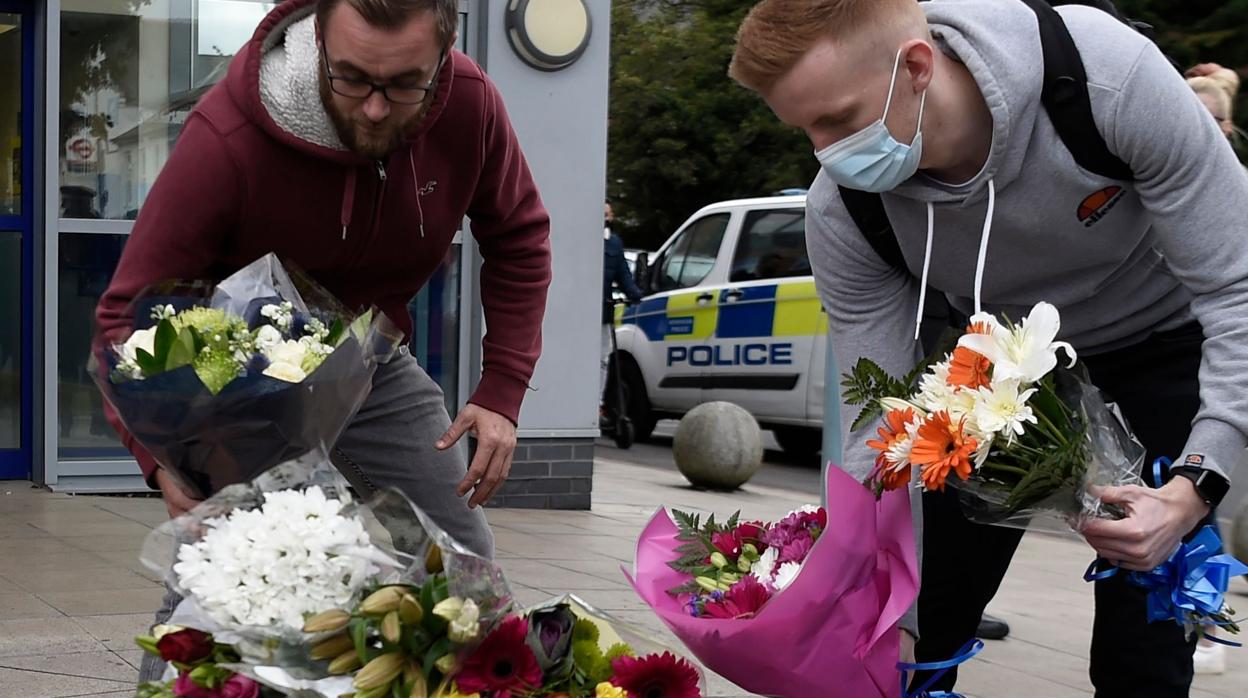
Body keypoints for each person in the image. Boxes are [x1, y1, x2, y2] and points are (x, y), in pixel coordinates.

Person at [729, 0, 1248, 695]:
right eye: (805, 130)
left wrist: (1196, 486)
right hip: (996, 369)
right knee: (926, 616)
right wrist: (879, 600)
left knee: (1141, 637)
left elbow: (1237, 290)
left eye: (839, 120)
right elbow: (876, 420)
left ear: (916, 67)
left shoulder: (1105, 80)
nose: (827, 154)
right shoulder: (845, 208)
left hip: (1160, 339)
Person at [95, 0, 551, 682]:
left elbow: (517, 237)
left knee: (461, 552)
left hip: (367, 355)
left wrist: (502, 391)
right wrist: (159, 456)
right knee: (227, 574)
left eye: (402, 84)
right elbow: (124, 316)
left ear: (443, 58)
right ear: (319, 41)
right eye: (351, 78)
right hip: (237, 372)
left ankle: (484, 686)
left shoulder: (471, 106)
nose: (373, 108)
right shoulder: (228, 136)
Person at [601, 202, 643, 418]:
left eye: (608, 214)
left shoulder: (614, 244)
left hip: (603, 314)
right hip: (583, 315)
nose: (605, 219)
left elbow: (623, 274)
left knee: (603, 360)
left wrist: (636, 295)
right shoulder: (586, 241)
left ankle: (598, 403)